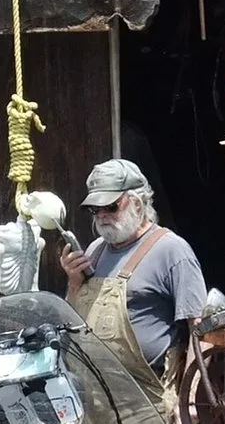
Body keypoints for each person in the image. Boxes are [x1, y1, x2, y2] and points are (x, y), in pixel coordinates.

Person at [60, 159, 207, 386]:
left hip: (149, 399)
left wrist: (192, 397)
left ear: (138, 204)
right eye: (94, 209)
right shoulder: (94, 250)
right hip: (96, 395)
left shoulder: (172, 250)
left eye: (111, 207)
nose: (101, 216)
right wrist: (75, 283)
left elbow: (202, 329)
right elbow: (74, 321)